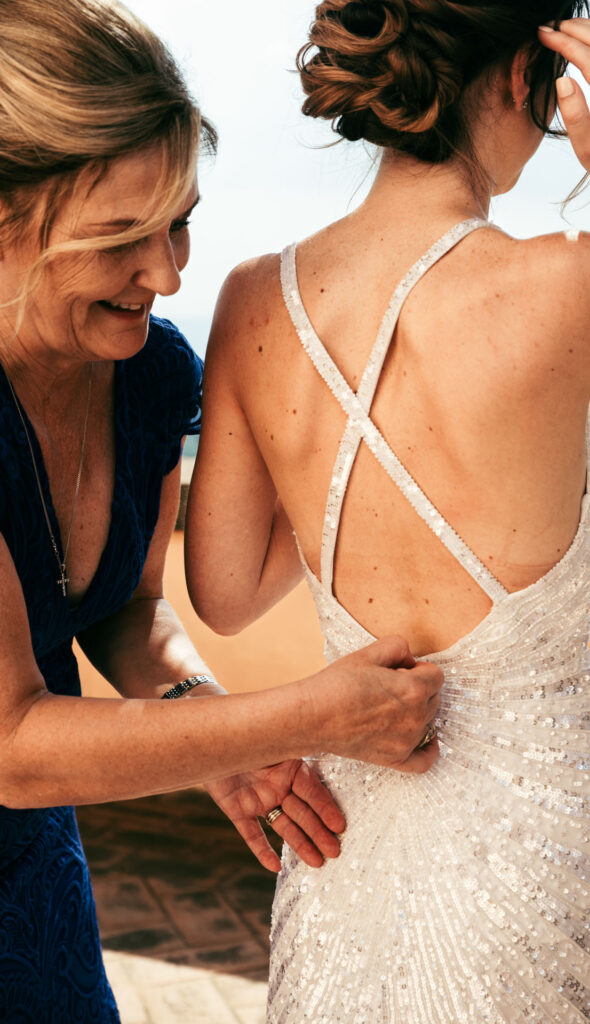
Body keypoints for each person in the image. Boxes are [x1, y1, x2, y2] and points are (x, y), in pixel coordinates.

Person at [186, 1, 590, 1020]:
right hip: (548, 841)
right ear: (515, 79)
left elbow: (224, 593)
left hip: (349, 833)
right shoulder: (571, 281)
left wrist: (332, 469)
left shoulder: (248, 302)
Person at [0, 1, 445, 1020]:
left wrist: (206, 722)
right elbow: (14, 746)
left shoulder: (150, 373)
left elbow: (119, 606)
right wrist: (305, 715)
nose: (168, 273)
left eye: (181, 220)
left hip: (29, 873)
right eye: (122, 237)